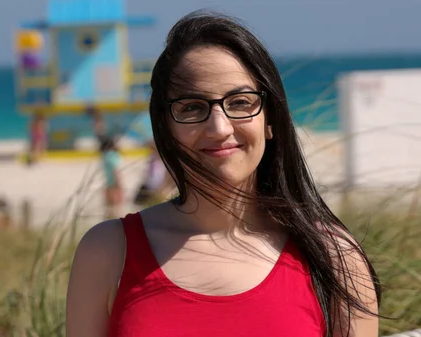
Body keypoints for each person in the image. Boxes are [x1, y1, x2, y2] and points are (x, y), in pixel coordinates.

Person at [66, 10, 380, 337]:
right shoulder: (107, 252)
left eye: (241, 102)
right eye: (192, 107)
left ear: (270, 119)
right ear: (165, 127)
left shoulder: (333, 258)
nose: (219, 127)